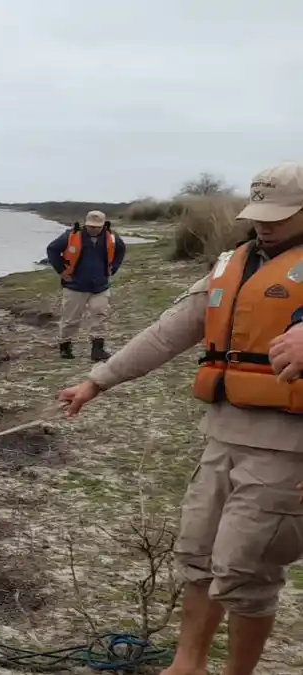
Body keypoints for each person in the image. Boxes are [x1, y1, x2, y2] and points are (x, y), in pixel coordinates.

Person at [57, 161, 303, 675]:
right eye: (259, 214)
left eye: (279, 216)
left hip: (288, 448)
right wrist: (96, 381)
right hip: (223, 432)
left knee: (246, 569)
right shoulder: (232, 264)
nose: (265, 225)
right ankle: (186, 665)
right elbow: (168, 332)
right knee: (197, 554)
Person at [46, 209, 127, 361]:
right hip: (75, 285)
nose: (93, 229)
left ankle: (98, 350)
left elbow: (121, 251)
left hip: (100, 286)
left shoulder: (112, 238)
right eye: (91, 226)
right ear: (85, 224)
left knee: (100, 316)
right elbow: (52, 250)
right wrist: (61, 271)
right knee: (71, 318)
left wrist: (114, 268)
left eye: (97, 226)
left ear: (104, 225)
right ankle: (65, 347)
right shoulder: (70, 236)